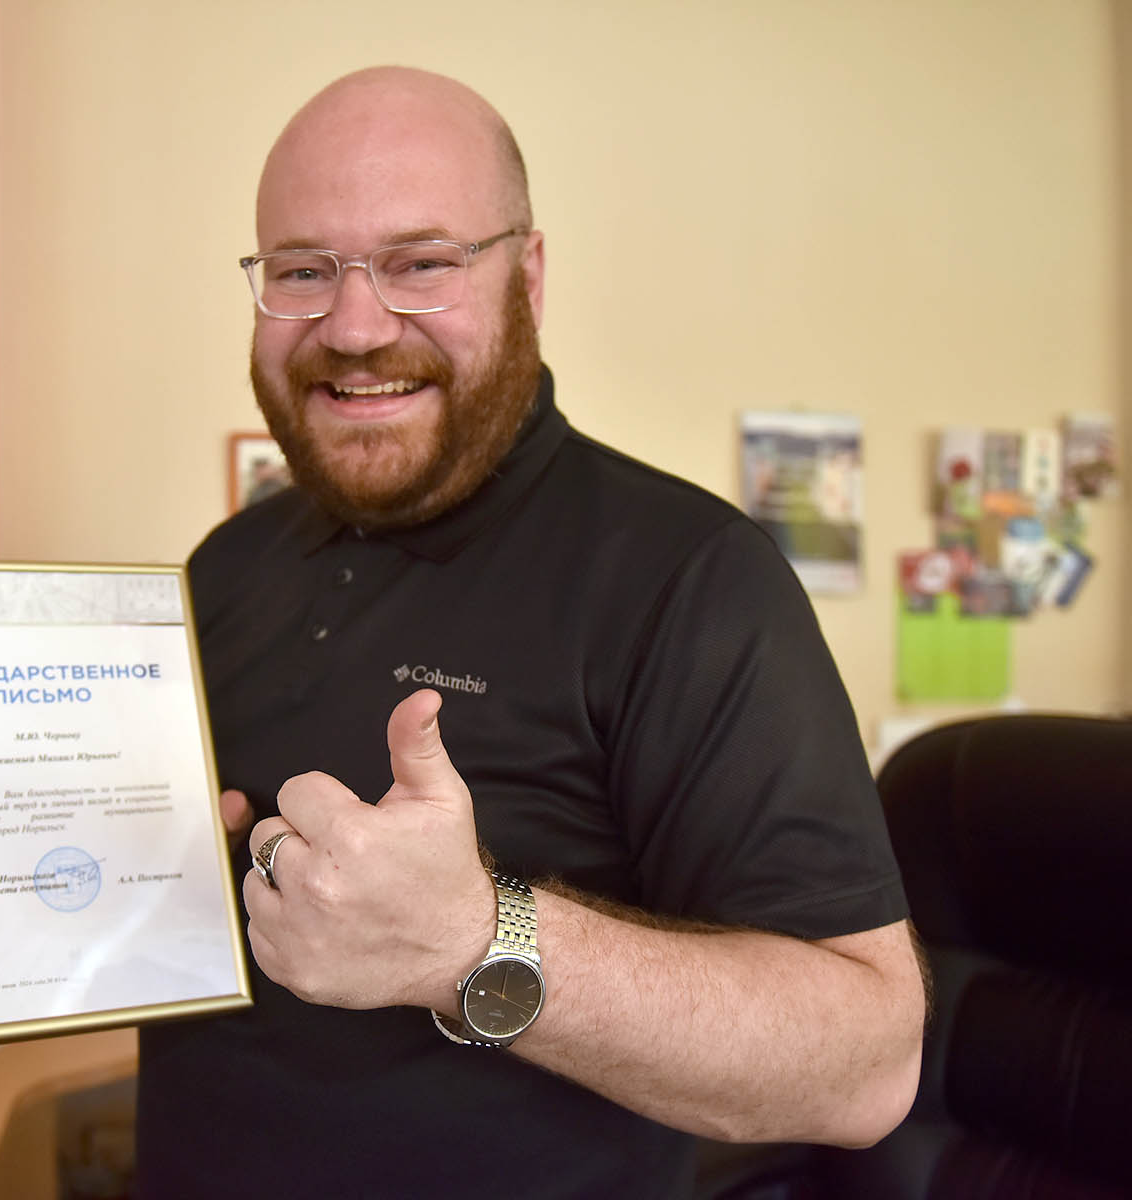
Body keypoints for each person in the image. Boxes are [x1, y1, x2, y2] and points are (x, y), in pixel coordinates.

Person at [135, 66, 925, 1198]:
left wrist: (471, 939)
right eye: (303, 271)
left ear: (529, 277)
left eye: (421, 263)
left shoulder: (689, 578)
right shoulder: (227, 564)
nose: (354, 328)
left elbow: (865, 1064)